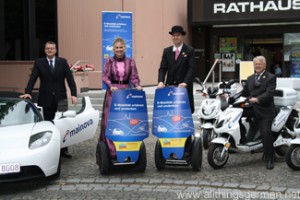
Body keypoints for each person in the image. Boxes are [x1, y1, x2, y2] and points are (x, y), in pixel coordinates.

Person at [20, 41, 78, 159]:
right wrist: (28, 92)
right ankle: (50, 149)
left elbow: (70, 79)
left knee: (63, 123)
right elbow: (33, 78)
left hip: (61, 98)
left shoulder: (63, 62)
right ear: (45, 50)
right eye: (47, 48)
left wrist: (73, 94)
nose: (50, 50)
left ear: (55, 50)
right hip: (46, 98)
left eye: (52, 48)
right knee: (48, 124)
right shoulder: (39, 62)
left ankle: (63, 150)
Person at [96, 37, 142, 163]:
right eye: (116, 47)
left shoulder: (130, 61)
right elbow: (105, 76)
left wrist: (137, 85)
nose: (119, 50)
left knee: (126, 120)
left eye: (121, 47)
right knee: (111, 121)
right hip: (113, 93)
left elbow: (134, 77)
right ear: (113, 49)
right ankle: (112, 151)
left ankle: (127, 148)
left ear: (124, 48)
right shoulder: (109, 61)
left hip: (126, 93)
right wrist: (111, 85)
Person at [240, 56, 276, 170]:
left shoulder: (271, 77)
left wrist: (257, 99)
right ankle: (243, 139)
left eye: (260, 64)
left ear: (264, 65)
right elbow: (244, 92)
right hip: (251, 108)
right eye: (255, 64)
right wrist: (230, 97)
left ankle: (270, 158)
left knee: (266, 133)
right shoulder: (250, 78)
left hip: (265, 111)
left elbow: (269, 93)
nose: (257, 66)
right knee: (234, 116)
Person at [157, 25, 196, 113]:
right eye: (174, 35)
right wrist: (161, 81)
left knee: (184, 111)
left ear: (182, 36)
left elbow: (191, 68)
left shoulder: (189, 50)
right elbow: (163, 68)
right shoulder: (167, 51)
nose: (176, 37)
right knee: (171, 111)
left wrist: (185, 82)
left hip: (184, 87)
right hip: (170, 86)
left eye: (178, 35)